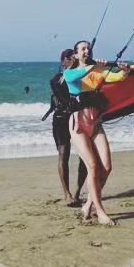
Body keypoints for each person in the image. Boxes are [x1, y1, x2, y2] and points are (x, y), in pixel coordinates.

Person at [63, 39, 133, 226]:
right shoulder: (70, 72)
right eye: (83, 49)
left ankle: (87, 205)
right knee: (92, 167)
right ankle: (100, 212)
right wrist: (95, 68)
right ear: (76, 54)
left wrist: (125, 70)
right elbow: (75, 77)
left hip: (95, 123)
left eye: (89, 48)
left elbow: (116, 78)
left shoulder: (97, 71)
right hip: (78, 123)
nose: (87, 50)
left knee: (107, 167)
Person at [43, 49, 88, 205]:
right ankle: (66, 194)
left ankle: (76, 193)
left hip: (79, 118)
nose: (73, 60)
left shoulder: (80, 77)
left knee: (84, 155)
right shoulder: (56, 79)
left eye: (74, 58)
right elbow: (61, 92)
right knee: (64, 154)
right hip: (62, 119)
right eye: (70, 58)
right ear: (64, 60)